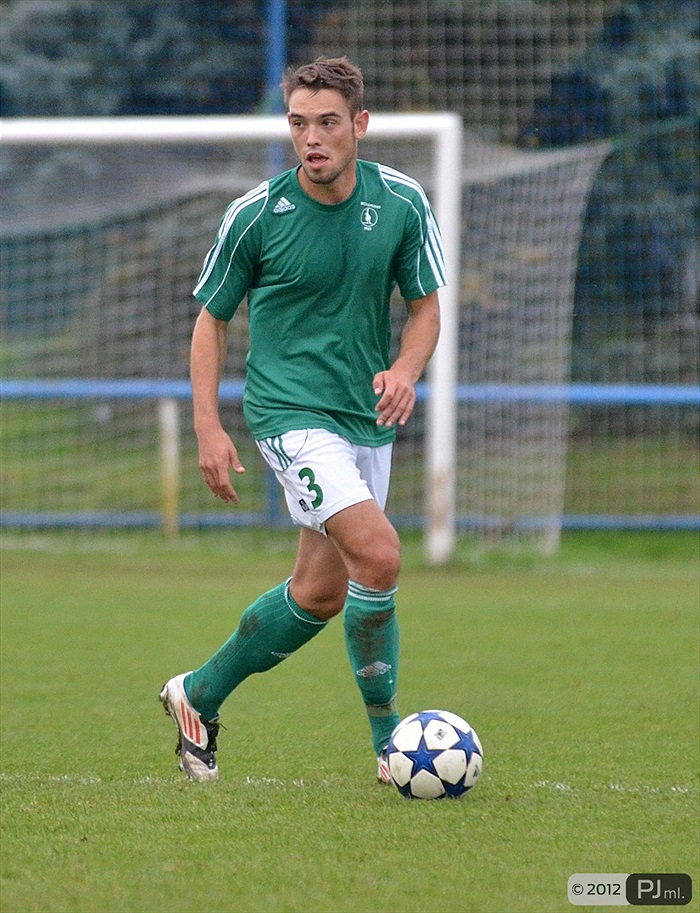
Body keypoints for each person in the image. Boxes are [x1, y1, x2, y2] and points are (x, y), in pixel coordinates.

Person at [160, 56, 446, 783]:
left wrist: (406, 370)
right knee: (378, 556)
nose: (311, 138)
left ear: (359, 124)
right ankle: (392, 747)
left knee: (319, 593)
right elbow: (211, 320)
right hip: (288, 413)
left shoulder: (404, 203)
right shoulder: (256, 213)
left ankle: (196, 695)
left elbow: (425, 307)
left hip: (364, 418)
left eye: (326, 123)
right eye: (297, 123)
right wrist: (207, 426)